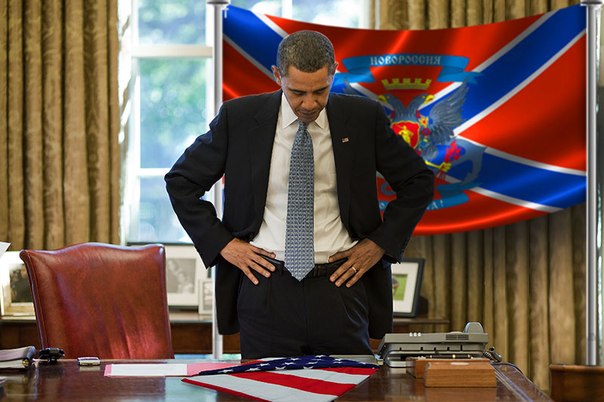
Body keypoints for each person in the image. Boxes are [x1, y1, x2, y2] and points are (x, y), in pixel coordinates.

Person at [165, 30, 434, 359]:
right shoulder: (239, 118)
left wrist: (379, 244)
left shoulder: (363, 119)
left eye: (320, 91)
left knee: (349, 386)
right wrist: (224, 244)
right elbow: (181, 182)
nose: (309, 104)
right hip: (265, 287)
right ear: (277, 76)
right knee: (264, 386)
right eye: (297, 92)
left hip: (340, 287)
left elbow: (418, 181)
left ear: (334, 72)